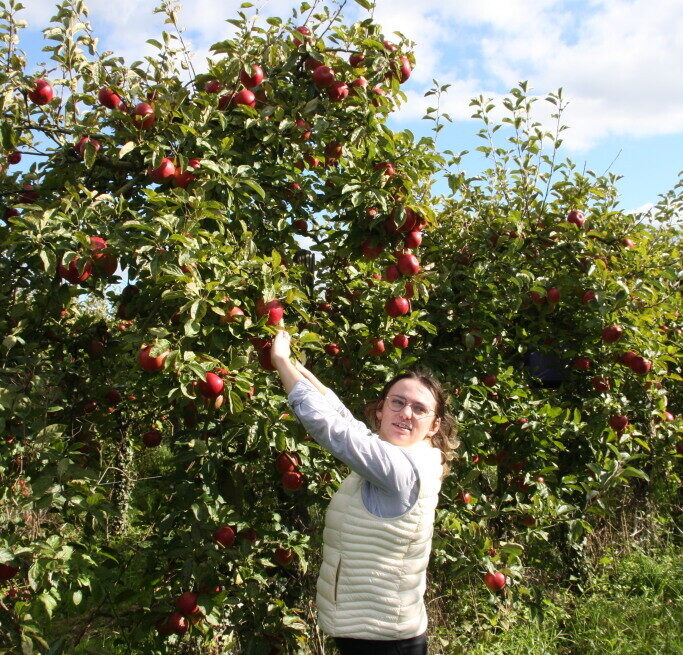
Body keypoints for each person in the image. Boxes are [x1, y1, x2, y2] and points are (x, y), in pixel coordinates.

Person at [270, 328, 457, 655]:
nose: (405, 413)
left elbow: (336, 432)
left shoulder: (403, 470)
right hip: (373, 631)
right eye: (397, 402)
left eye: (419, 408)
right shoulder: (411, 455)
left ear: (435, 425)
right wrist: (299, 369)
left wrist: (281, 362)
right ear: (381, 410)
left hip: (384, 641)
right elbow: (346, 421)